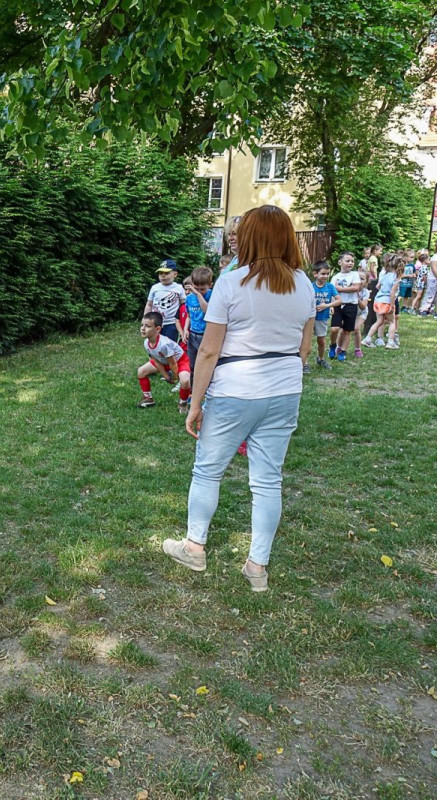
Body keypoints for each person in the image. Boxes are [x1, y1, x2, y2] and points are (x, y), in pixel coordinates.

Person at [162, 205, 315, 592]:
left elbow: (209, 351)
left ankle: (194, 547)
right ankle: (257, 567)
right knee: (268, 481)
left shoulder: (232, 284)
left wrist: (196, 403)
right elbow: (305, 348)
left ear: (249, 238)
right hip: (285, 388)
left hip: (236, 388)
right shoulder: (304, 284)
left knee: (208, 470)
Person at [136, 311, 191, 410]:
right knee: (141, 372)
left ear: (157, 329)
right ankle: (148, 398)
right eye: (142, 325)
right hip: (162, 361)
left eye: (147, 326)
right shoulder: (146, 343)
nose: (143, 328)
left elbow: (173, 363)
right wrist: (166, 376)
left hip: (179, 361)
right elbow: (156, 360)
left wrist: (174, 378)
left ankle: (183, 404)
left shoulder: (164, 344)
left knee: (185, 380)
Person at [329, 252, 362, 362]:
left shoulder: (354, 274)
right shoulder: (335, 277)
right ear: (340, 262)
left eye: (352, 261)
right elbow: (332, 292)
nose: (350, 263)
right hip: (338, 305)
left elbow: (356, 288)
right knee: (334, 329)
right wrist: (331, 305)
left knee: (347, 330)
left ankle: (343, 351)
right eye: (347, 261)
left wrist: (340, 289)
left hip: (351, 305)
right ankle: (333, 345)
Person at [144, 260, 188, 343]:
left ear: (175, 274)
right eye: (161, 273)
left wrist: (182, 321)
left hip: (171, 324)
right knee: (154, 343)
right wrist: (145, 320)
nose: (163, 276)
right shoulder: (155, 288)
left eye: (167, 273)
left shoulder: (179, 288)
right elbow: (149, 305)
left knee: (169, 345)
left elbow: (184, 305)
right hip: (155, 322)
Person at [306, 261, 338, 372]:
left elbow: (339, 300)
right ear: (315, 274)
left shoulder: (330, 287)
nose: (326, 276)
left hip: (322, 317)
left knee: (321, 341)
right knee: (307, 340)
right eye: (323, 274)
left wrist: (327, 305)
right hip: (309, 317)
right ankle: (305, 362)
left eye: (327, 274)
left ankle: (321, 359)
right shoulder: (310, 286)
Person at [183, 266, 214, 376]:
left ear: (210, 285)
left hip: (206, 334)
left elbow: (207, 311)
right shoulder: (189, 298)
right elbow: (189, 316)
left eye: (202, 289)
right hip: (193, 333)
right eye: (196, 288)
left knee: (205, 361)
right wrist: (185, 329)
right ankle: (191, 382)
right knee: (191, 362)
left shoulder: (212, 295)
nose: (199, 291)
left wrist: (199, 295)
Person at [365, 255, 400, 349]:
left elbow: (377, 286)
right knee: (392, 321)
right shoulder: (396, 278)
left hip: (378, 300)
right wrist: (392, 305)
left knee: (379, 321)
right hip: (387, 302)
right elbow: (392, 293)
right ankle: (390, 342)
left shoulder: (384, 275)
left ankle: (367, 339)